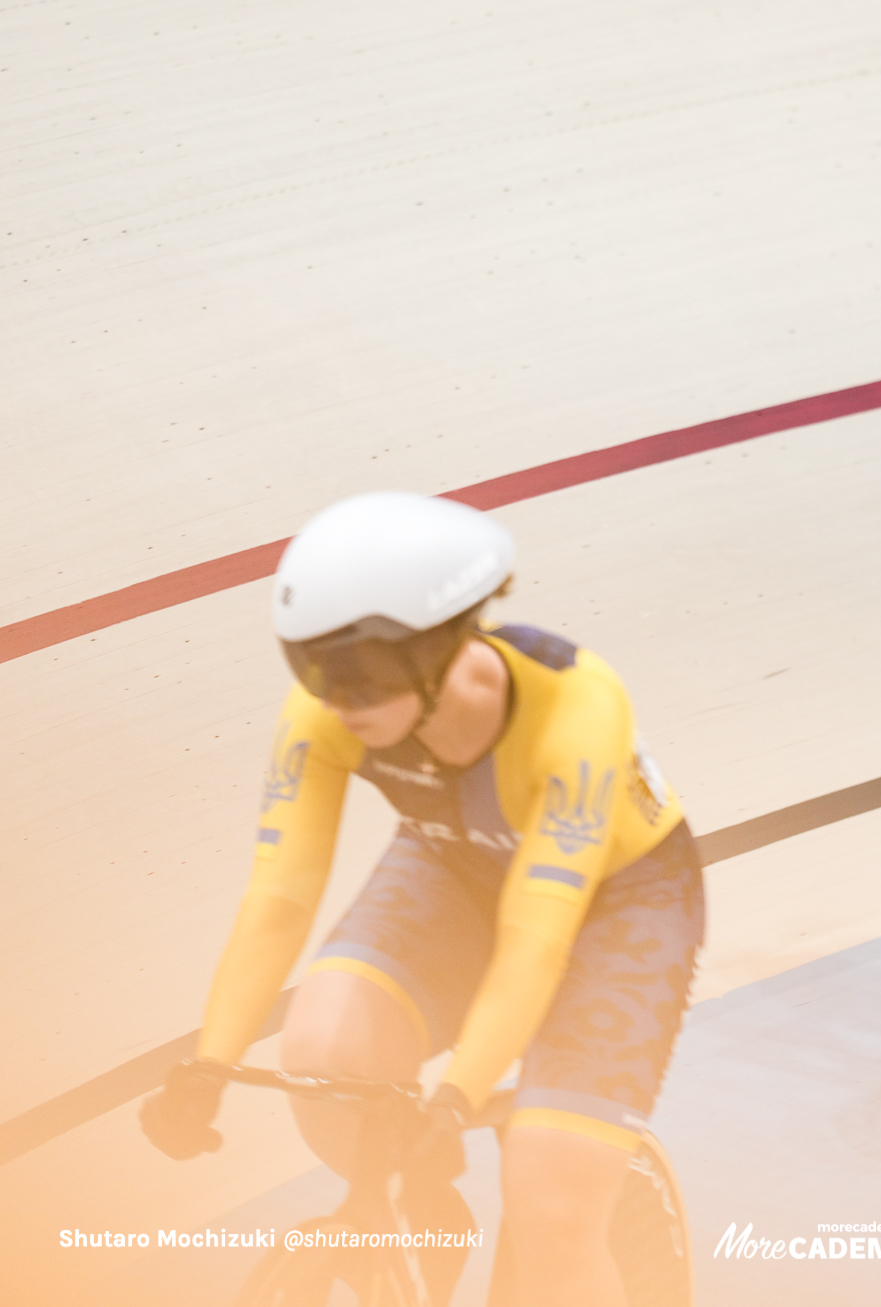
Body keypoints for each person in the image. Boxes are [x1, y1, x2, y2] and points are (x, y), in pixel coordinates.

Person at [139, 492, 702, 1307]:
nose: (337, 699)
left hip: (620, 905)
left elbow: (536, 941)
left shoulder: (579, 705)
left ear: (447, 645)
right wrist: (209, 1062)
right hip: (457, 862)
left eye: (360, 673)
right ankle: (421, 1217)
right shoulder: (328, 714)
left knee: (552, 1210)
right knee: (324, 1047)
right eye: (310, 667)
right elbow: (280, 900)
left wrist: (458, 1093)